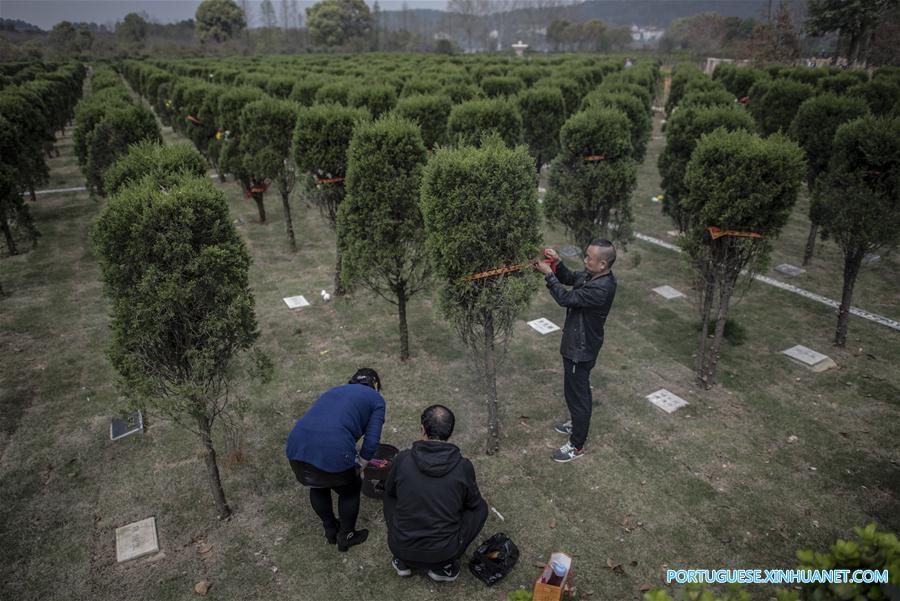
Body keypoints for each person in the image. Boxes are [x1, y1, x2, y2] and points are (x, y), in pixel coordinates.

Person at [383, 405, 488, 582]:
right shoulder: (463, 467)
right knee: (481, 508)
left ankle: (403, 562)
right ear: (450, 433)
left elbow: (390, 493)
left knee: (388, 495)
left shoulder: (402, 459)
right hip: (443, 554)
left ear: (422, 430)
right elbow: (474, 504)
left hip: (400, 547)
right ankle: (442, 569)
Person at [285, 368, 385, 552]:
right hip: (332, 449)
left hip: (296, 447)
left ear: (352, 381)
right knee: (350, 489)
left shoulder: (334, 390)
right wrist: (360, 466)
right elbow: (371, 442)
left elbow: (326, 421)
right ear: (375, 386)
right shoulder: (376, 398)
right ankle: (346, 536)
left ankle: (330, 529)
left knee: (317, 484)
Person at [535, 239, 617, 463]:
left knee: (577, 395)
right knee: (578, 391)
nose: (585, 260)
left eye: (589, 257)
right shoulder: (593, 276)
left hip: (580, 350)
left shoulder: (601, 288)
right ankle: (576, 421)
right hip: (580, 345)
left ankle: (577, 444)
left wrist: (548, 275)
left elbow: (565, 298)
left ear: (602, 264)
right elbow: (571, 279)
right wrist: (558, 263)